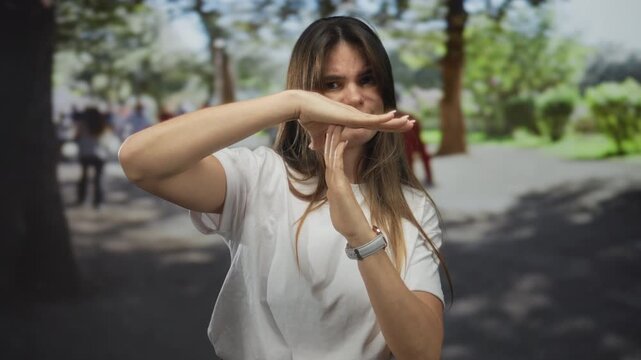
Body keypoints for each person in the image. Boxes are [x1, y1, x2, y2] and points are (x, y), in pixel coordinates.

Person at [119, 16, 451, 360]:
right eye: (331, 84)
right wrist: (290, 103)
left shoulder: (413, 207)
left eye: (367, 79)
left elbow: (422, 352)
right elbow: (139, 161)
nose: (354, 96)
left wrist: (362, 237)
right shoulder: (259, 177)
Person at [75, 107, 108, 208]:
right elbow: (105, 138)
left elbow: (76, 137)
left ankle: (82, 198)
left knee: (84, 176)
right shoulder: (101, 124)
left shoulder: (82, 124)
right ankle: (98, 201)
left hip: (85, 153)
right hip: (99, 154)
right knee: (98, 179)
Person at [401, 110, 434, 185]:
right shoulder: (411, 117)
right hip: (412, 124)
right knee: (414, 152)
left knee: (409, 152)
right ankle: (427, 177)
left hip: (409, 133)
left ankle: (410, 179)